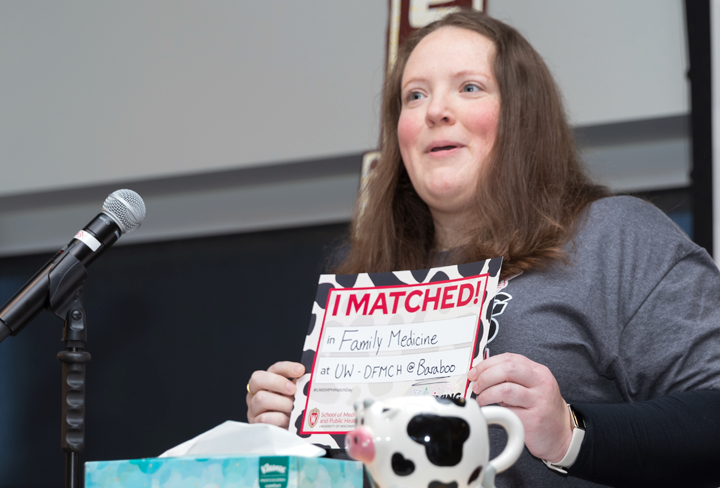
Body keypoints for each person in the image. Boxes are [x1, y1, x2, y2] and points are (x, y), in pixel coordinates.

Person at [246, 10, 720, 487]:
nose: (435, 111)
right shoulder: (367, 288)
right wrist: (287, 441)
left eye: (469, 87)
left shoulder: (614, 236)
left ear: (522, 116)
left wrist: (569, 432)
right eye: (415, 96)